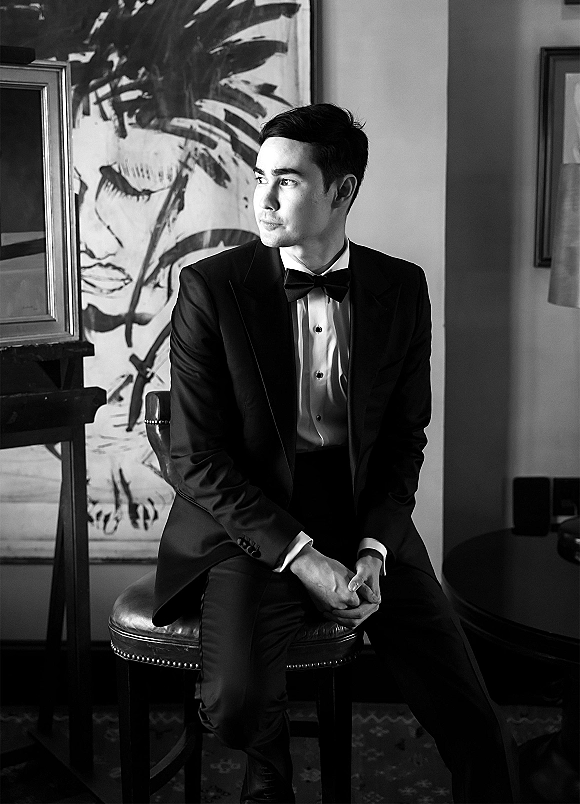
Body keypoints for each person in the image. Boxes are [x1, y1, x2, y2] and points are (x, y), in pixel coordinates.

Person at [153, 103, 519, 803]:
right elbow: (194, 457)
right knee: (234, 703)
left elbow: (404, 439)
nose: (260, 197)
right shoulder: (211, 288)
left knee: (473, 715)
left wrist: (376, 550)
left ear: (342, 192)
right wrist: (303, 556)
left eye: (285, 181)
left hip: (364, 516)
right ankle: (269, 775)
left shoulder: (400, 287)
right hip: (253, 524)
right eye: (258, 176)